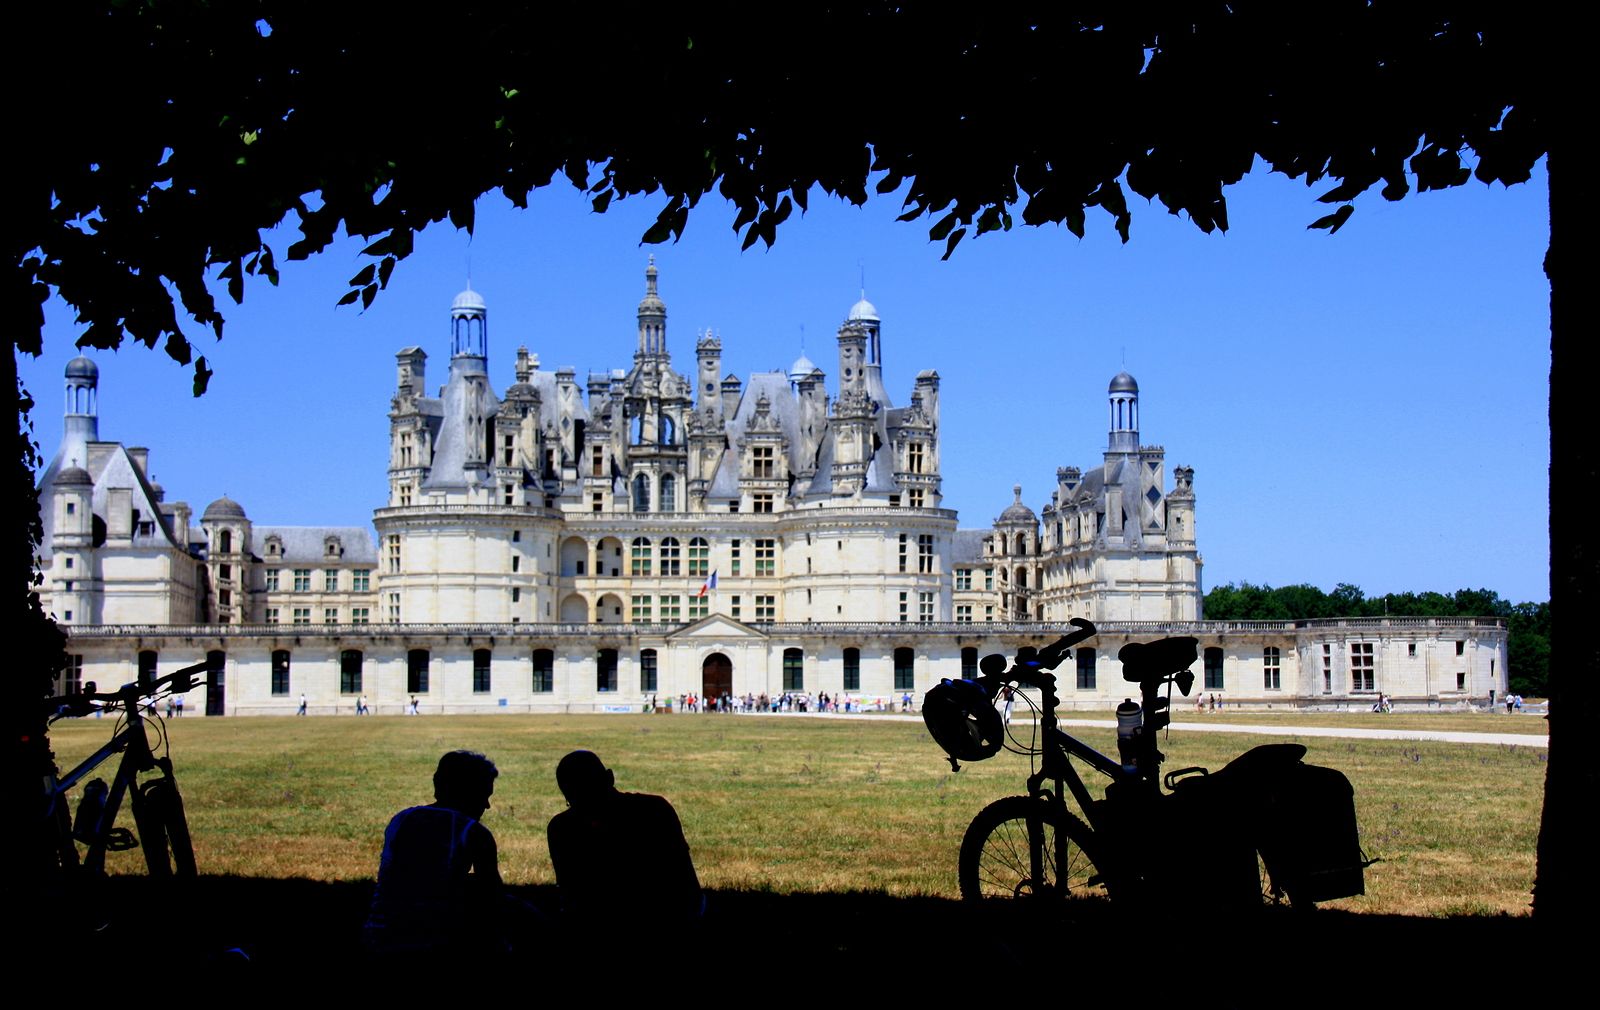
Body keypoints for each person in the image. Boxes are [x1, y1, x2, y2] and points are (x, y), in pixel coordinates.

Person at [365, 750, 529, 958]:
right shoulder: (473, 833)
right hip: (437, 945)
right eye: (484, 796)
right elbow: (492, 897)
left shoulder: (402, 820)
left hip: (379, 939)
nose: (487, 805)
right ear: (469, 793)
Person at [547, 750, 702, 931]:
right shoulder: (655, 810)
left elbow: (572, 895)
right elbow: (686, 883)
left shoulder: (562, 828)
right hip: (667, 923)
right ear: (610, 778)